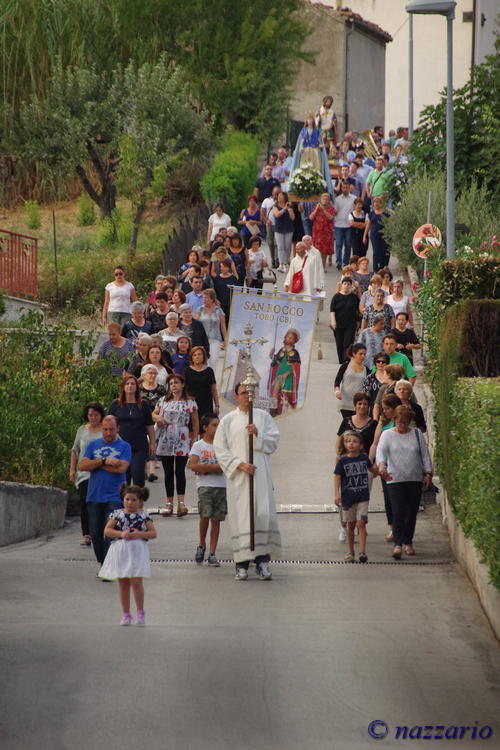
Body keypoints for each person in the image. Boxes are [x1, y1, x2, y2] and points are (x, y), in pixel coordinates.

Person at [214, 383, 281, 581]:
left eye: (250, 394)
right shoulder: (228, 420)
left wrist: (258, 434)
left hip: (260, 475)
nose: (247, 397)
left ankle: (262, 562)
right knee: (242, 517)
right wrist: (239, 464)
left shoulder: (263, 417)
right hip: (240, 478)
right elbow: (220, 449)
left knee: (261, 513)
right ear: (236, 396)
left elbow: (274, 441)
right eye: (243, 393)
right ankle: (241, 564)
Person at [376, 406, 433, 559]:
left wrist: (428, 473)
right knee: (398, 511)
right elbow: (380, 451)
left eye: (405, 422)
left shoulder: (416, 434)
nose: (402, 425)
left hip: (414, 478)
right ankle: (398, 544)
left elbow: (424, 454)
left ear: (409, 421)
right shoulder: (387, 434)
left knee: (411, 512)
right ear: (394, 420)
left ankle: (408, 542)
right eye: (399, 422)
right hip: (395, 478)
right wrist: (382, 464)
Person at [99, 485, 157, 626]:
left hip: (137, 550)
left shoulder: (144, 516)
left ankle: (140, 612)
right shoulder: (117, 514)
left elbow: (153, 533)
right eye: (127, 499)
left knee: (136, 582)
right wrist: (120, 534)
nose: (129, 503)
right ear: (123, 499)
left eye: (133, 500)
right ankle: (126, 613)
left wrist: (139, 534)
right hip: (121, 550)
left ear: (140, 501)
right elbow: (107, 530)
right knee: (123, 583)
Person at [78, 415, 131, 566]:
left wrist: (94, 464)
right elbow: (82, 466)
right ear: (102, 429)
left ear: (118, 429)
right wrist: (104, 461)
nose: (108, 433)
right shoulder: (93, 445)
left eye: (111, 430)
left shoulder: (124, 446)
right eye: (105, 429)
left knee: (110, 533)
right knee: (95, 533)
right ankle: (102, 561)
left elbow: (122, 468)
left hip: (115, 496)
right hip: (94, 495)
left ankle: (108, 565)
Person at [154, 374, 199, 518]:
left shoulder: (190, 402)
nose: (174, 385)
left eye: (176, 383)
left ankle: (181, 503)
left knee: (179, 471)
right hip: (166, 436)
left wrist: (195, 439)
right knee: (168, 471)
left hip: (182, 436)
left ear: (182, 385)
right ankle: (168, 503)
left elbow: (195, 422)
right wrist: (158, 417)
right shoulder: (163, 400)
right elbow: (153, 414)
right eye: (171, 383)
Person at [188, 414, 227, 568]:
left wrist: (205, 469)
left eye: (219, 425)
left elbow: (224, 466)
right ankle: (202, 543)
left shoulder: (223, 446)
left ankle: (212, 552)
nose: (217, 428)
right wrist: (213, 468)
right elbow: (193, 465)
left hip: (220, 486)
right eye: (214, 425)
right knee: (205, 515)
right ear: (205, 427)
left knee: (216, 520)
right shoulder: (198, 446)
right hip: (205, 486)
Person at [335, 431, 377, 563]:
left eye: (354, 441)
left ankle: (362, 552)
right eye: (348, 441)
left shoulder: (364, 458)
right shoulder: (342, 461)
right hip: (348, 498)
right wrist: (337, 494)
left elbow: (372, 470)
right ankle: (350, 551)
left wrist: (381, 474)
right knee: (351, 525)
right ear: (345, 444)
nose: (351, 444)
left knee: (361, 523)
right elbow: (337, 477)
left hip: (362, 496)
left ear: (360, 445)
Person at [108, 375, 155, 487]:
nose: (130, 386)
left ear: (136, 387)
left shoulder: (143, 405)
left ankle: (138, 502)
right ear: (123, 387)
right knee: (124, 478)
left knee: (137, 474)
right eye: (127, 384)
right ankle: (124, 503)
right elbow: (108, 424)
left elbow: (149, 425)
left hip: (139, 446)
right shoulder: (115, 404)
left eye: (132, 384)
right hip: (120, 446)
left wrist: (153, 443)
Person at [69, 401, 104, 548]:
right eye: (90, 415)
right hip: (84, 473)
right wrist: (72, 470)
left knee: (100, 503)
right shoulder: (82, 430)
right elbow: (75, 450)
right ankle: (87, 534)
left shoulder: (106, 430)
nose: (93, 417)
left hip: (102, 473)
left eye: (96, 415)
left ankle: (101, 531)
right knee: (85, 503)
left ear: (101, 415)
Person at [268, 329, 301, 416]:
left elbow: (296, 366)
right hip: (280, 373)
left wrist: (288, 373)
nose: (289, 339)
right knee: (275, 388)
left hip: (288, 376)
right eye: (288, 337)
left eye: (291, 338)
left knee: (285, 394)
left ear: (294, 341)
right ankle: (273, 410)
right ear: (285, 338)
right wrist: (271, 355)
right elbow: (277, 361)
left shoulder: (295, 353)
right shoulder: (281, 350)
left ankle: (284, 411)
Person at [336, 392, 377, 458]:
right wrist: (339, 455)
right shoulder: (346, 421)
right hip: (347, 459)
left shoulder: (374, 424)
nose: (362, 406)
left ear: (368, 406)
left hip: (365, 460)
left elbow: (376, 443)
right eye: (359, 404)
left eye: (365, 404)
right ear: (355, 405)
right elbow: (339, 439)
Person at [334, 343, 369, 419]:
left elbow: (368, 386)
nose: (363, 356)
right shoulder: (345, 366)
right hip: (345, 401)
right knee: (347, 423)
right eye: (360, 354)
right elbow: (337, 381)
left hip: (359, 403)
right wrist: (337, 392)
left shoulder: (366, 369)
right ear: (354, 354)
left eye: (364, 354)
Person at [195, 288, 227, 372]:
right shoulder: (199, 309)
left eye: (206, 298)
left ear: (212, 299)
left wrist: (226, 339)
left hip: (215, 339)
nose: (204, 299)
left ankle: (212, 381)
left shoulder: (219, 310)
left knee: (213, 362)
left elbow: (223, 326)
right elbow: (196, 325)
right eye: (203, 298)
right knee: (203, 361)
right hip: (202, 340)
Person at [184, 346, 219, 421]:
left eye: (199, 354)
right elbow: (184, 388)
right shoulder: (187, 370)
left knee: (206, 427)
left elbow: (214, 390)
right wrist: (187, 397)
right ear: (192, 358)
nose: (197, 357)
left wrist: (217, 406)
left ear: (203, 356)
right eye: (195, 355)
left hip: (207, 403)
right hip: (192, 403)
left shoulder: (209, 370)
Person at [329, 277, 360, 363]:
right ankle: (341, 361)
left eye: (348, 284)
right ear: (341, 285)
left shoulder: (354, 298)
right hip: (338, 324)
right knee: (339, 343)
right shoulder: (336, 297)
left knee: (348, 342)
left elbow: (359, 310)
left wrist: (359, 323)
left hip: (350, 323)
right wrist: (333, 322)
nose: (346, 286)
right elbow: (332, 310)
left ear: (351, 286)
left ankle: (346, 360)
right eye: (345, 284)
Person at [364, 196, 390, 272]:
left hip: (384, 235)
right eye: (375, 202)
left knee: (384, 251)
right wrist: (364, 235)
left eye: (378, 202)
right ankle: (376, 269)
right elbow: (368, 225)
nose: (376, 204)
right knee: (376, 251)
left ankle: (382, 268)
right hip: (374, 235)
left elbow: (390, 224)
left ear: (381, 203)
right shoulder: (371, 213)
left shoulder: (386, 214)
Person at [333, 182, 356, 268]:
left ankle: (345, 262)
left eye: (347, 187)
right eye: (343, 188)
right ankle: (339, 262)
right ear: (341, 188)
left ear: (349, 188)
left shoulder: (354, 198)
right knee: (338, 244)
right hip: (338, 224)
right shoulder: (337, 199)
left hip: (349, 225)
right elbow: (334, 211)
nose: (345, 189)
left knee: (348, 244)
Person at [310, 193, 335, 269]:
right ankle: (317, 266)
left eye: (327, 199)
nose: (325, 200)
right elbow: (311, 217)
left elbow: (330, 218)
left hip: (327, 232)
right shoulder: (315, 207)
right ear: (320, 200)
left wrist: (323, 210)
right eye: (323, 199)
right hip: (317, 231)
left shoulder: (331, 209)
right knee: (317, 249)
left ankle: (323, 265)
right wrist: (317, 209)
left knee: (325, 250)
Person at [273, 191, 295, 273]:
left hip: (288, 228)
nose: (279, 197)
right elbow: (277, 214)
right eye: (278, 196)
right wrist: (284, 208)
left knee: (287, 246)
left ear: (285, 197)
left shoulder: (290, 206)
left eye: (281, 196)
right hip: (279, 229)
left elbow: (293, 218)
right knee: (280, 246)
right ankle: (281, 264)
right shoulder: (275, 206)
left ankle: (286, 263)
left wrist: (289, 209)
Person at [261, 185, 281, 267]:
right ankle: (272, 259)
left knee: (277, 243)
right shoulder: (267, 200)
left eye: (278, 193)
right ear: (272, 193)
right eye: (275, 193)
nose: (276, 195)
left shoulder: (281, 201)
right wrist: (266, 220)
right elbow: (262, 211)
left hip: (278, 225)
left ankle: (277, 260)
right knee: (270, 242)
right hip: (269, 224)